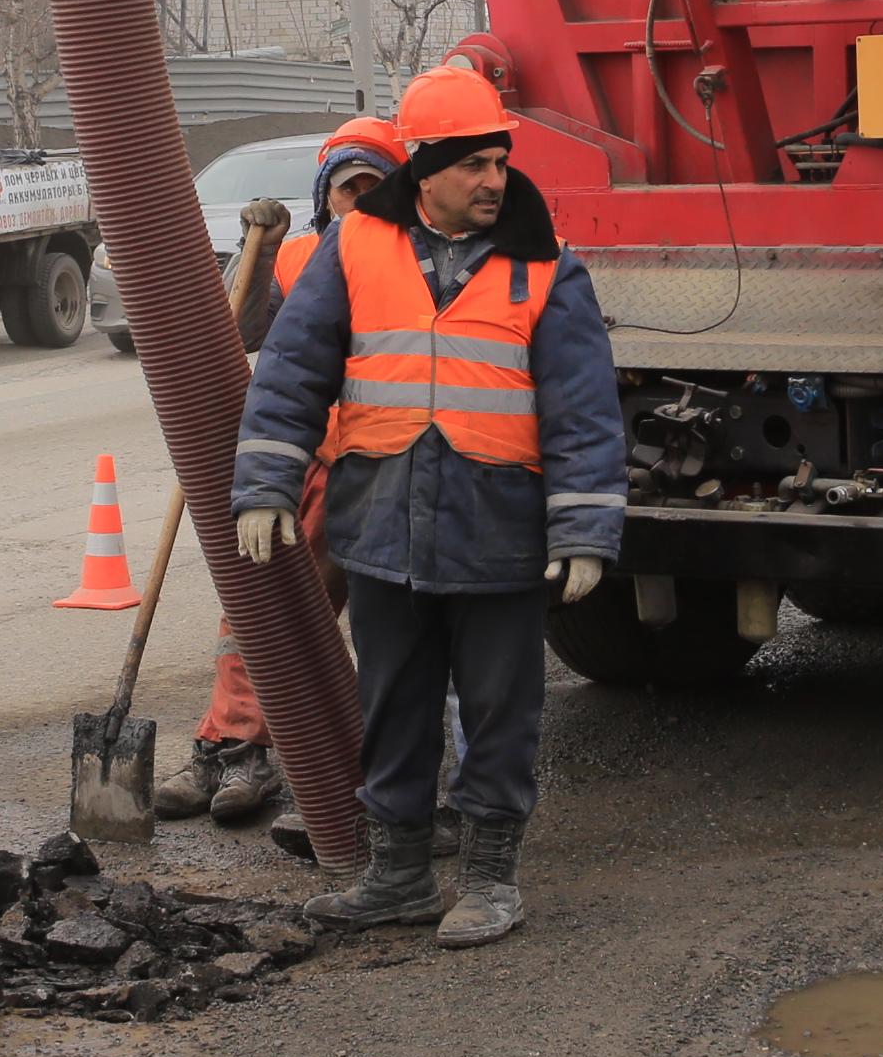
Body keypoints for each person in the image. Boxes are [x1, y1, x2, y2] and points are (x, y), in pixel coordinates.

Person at [232, 67, 628, 949]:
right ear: (425, 169)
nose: (494, 179)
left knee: (498, 712)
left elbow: (584, 409)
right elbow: (292, 370)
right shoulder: (356, 246)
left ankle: (488, 878)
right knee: (394, 707)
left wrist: (585, 529)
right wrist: (263, 485)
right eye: (474, 164)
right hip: (384, 527)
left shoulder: (547, 264)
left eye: (500, 161)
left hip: (498, 531)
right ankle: (400, 874)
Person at [159, 119, 405, 828]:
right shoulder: (300, 257)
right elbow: (240, 329)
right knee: (255, 607)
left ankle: (286, 756)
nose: (360, 201)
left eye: (374, 186)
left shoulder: (412, 264)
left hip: (378, 465)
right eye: (348, 188)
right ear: (326, 196)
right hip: (307, 460)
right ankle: (228, 746)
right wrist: (257, 251)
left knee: (318, 617)